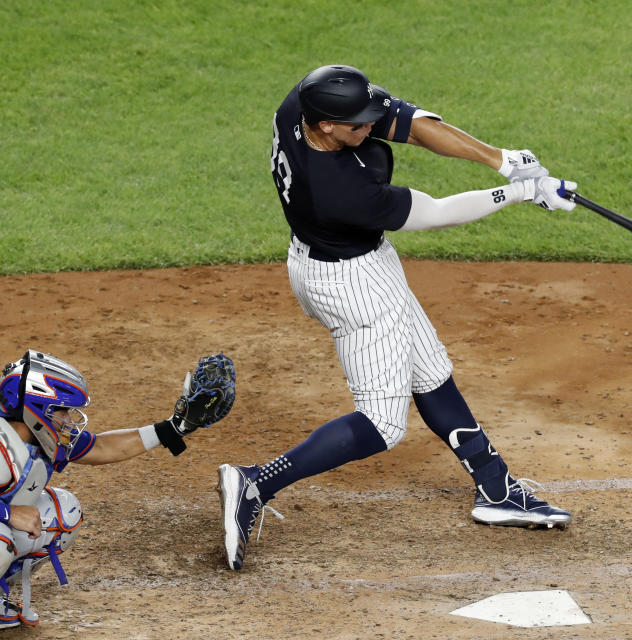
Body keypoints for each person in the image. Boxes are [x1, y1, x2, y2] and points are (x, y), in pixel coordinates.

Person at [217, 64, 579, 571]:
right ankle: (256, 482)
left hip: (330, 260)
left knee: (429, 370)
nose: (370, 127)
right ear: (325, 126)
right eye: (358, 124)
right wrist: (520, 192)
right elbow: (435, 213)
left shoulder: (299, 107)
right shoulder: (338, 191)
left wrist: (502, 161)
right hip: (353, 285)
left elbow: (407, 122)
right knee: (383, 424)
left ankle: (496, 489)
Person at [0, 350, 234, 628]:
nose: (69, 420)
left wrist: (172, 428)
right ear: (36, 410)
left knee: (63, 514)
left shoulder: (38, 438)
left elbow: (100, 446)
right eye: (62, 411)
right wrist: (9, 513)